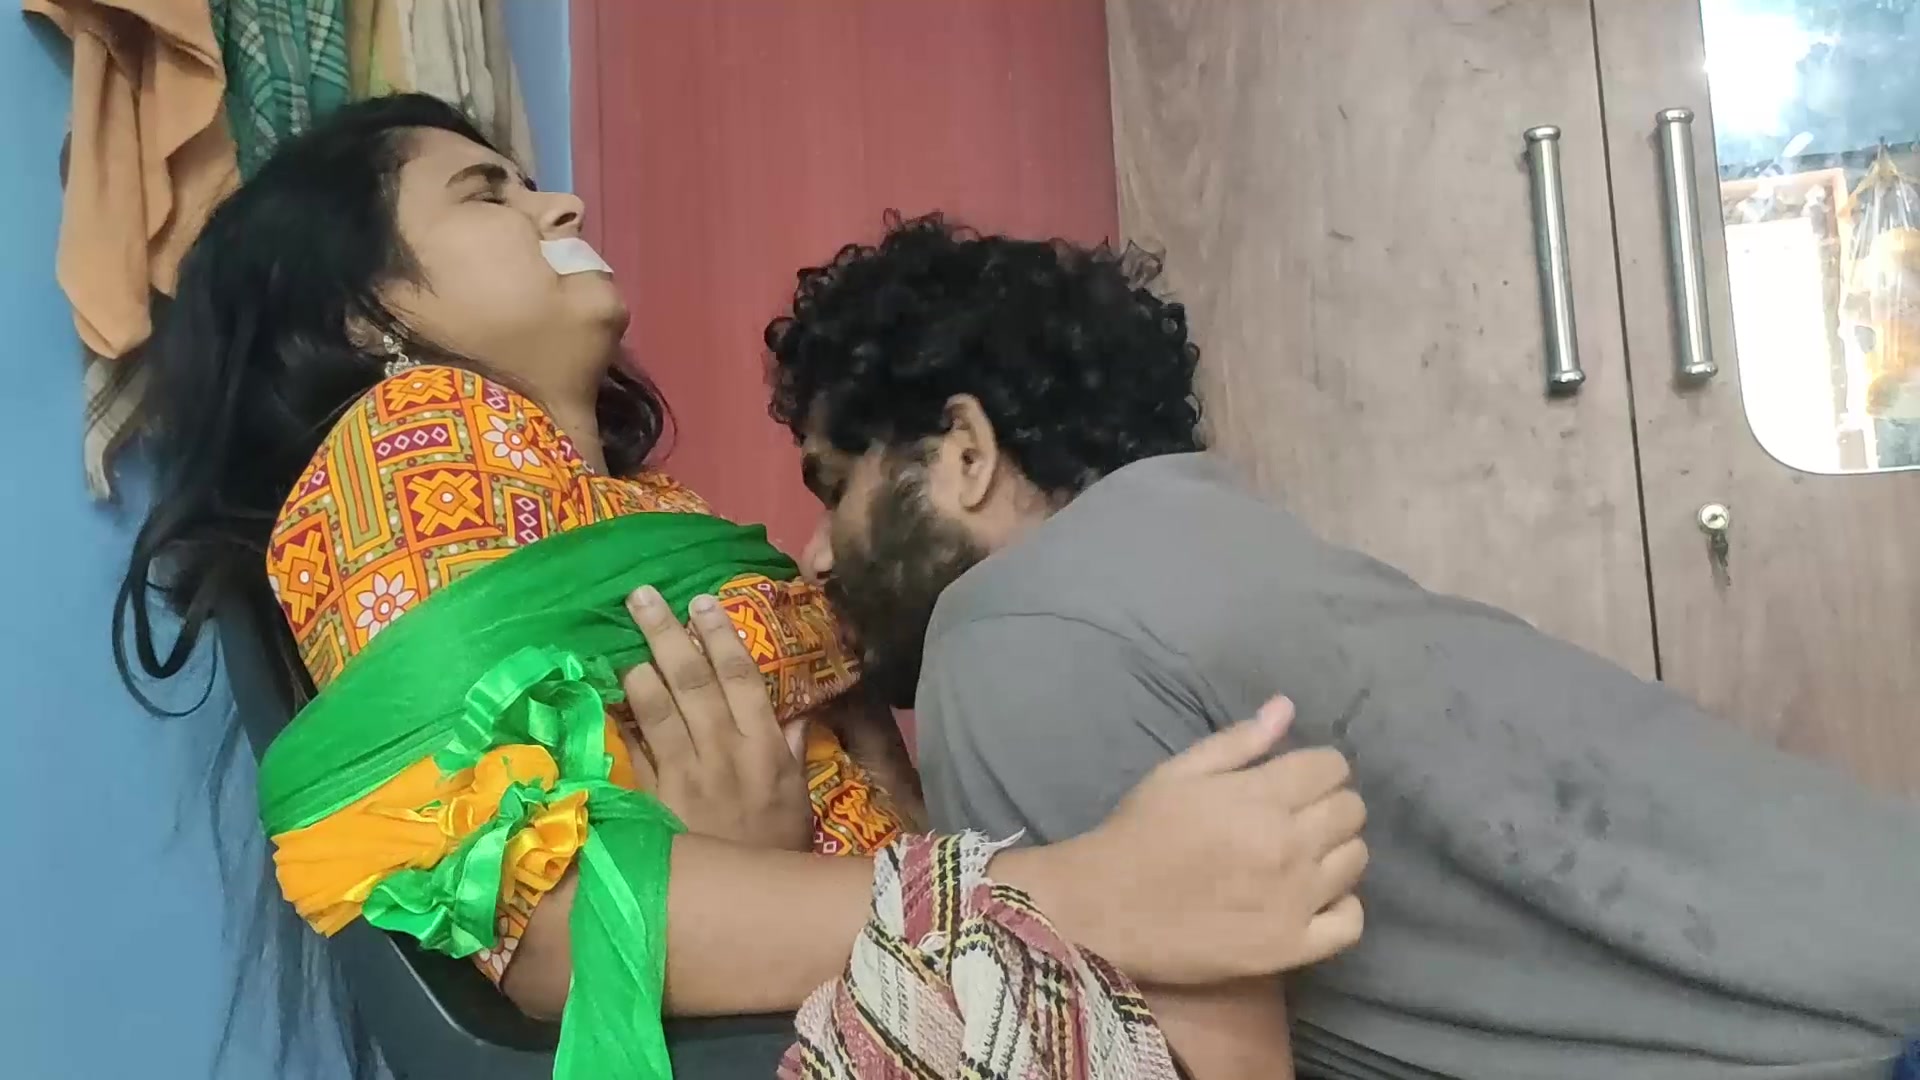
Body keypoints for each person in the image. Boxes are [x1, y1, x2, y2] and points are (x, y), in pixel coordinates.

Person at [112, 95, 1368, 1079]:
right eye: (487, 192)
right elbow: (544, 925)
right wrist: (1090, 892)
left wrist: (767, 862)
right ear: (360, 312)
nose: (561, 203)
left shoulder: (649, 514)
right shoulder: (410, 445)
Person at [764, 213, 1920, 1080]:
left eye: (835, 485)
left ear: (964, 453)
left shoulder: (1011, 629)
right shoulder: (1186, 547)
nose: (814, 555)